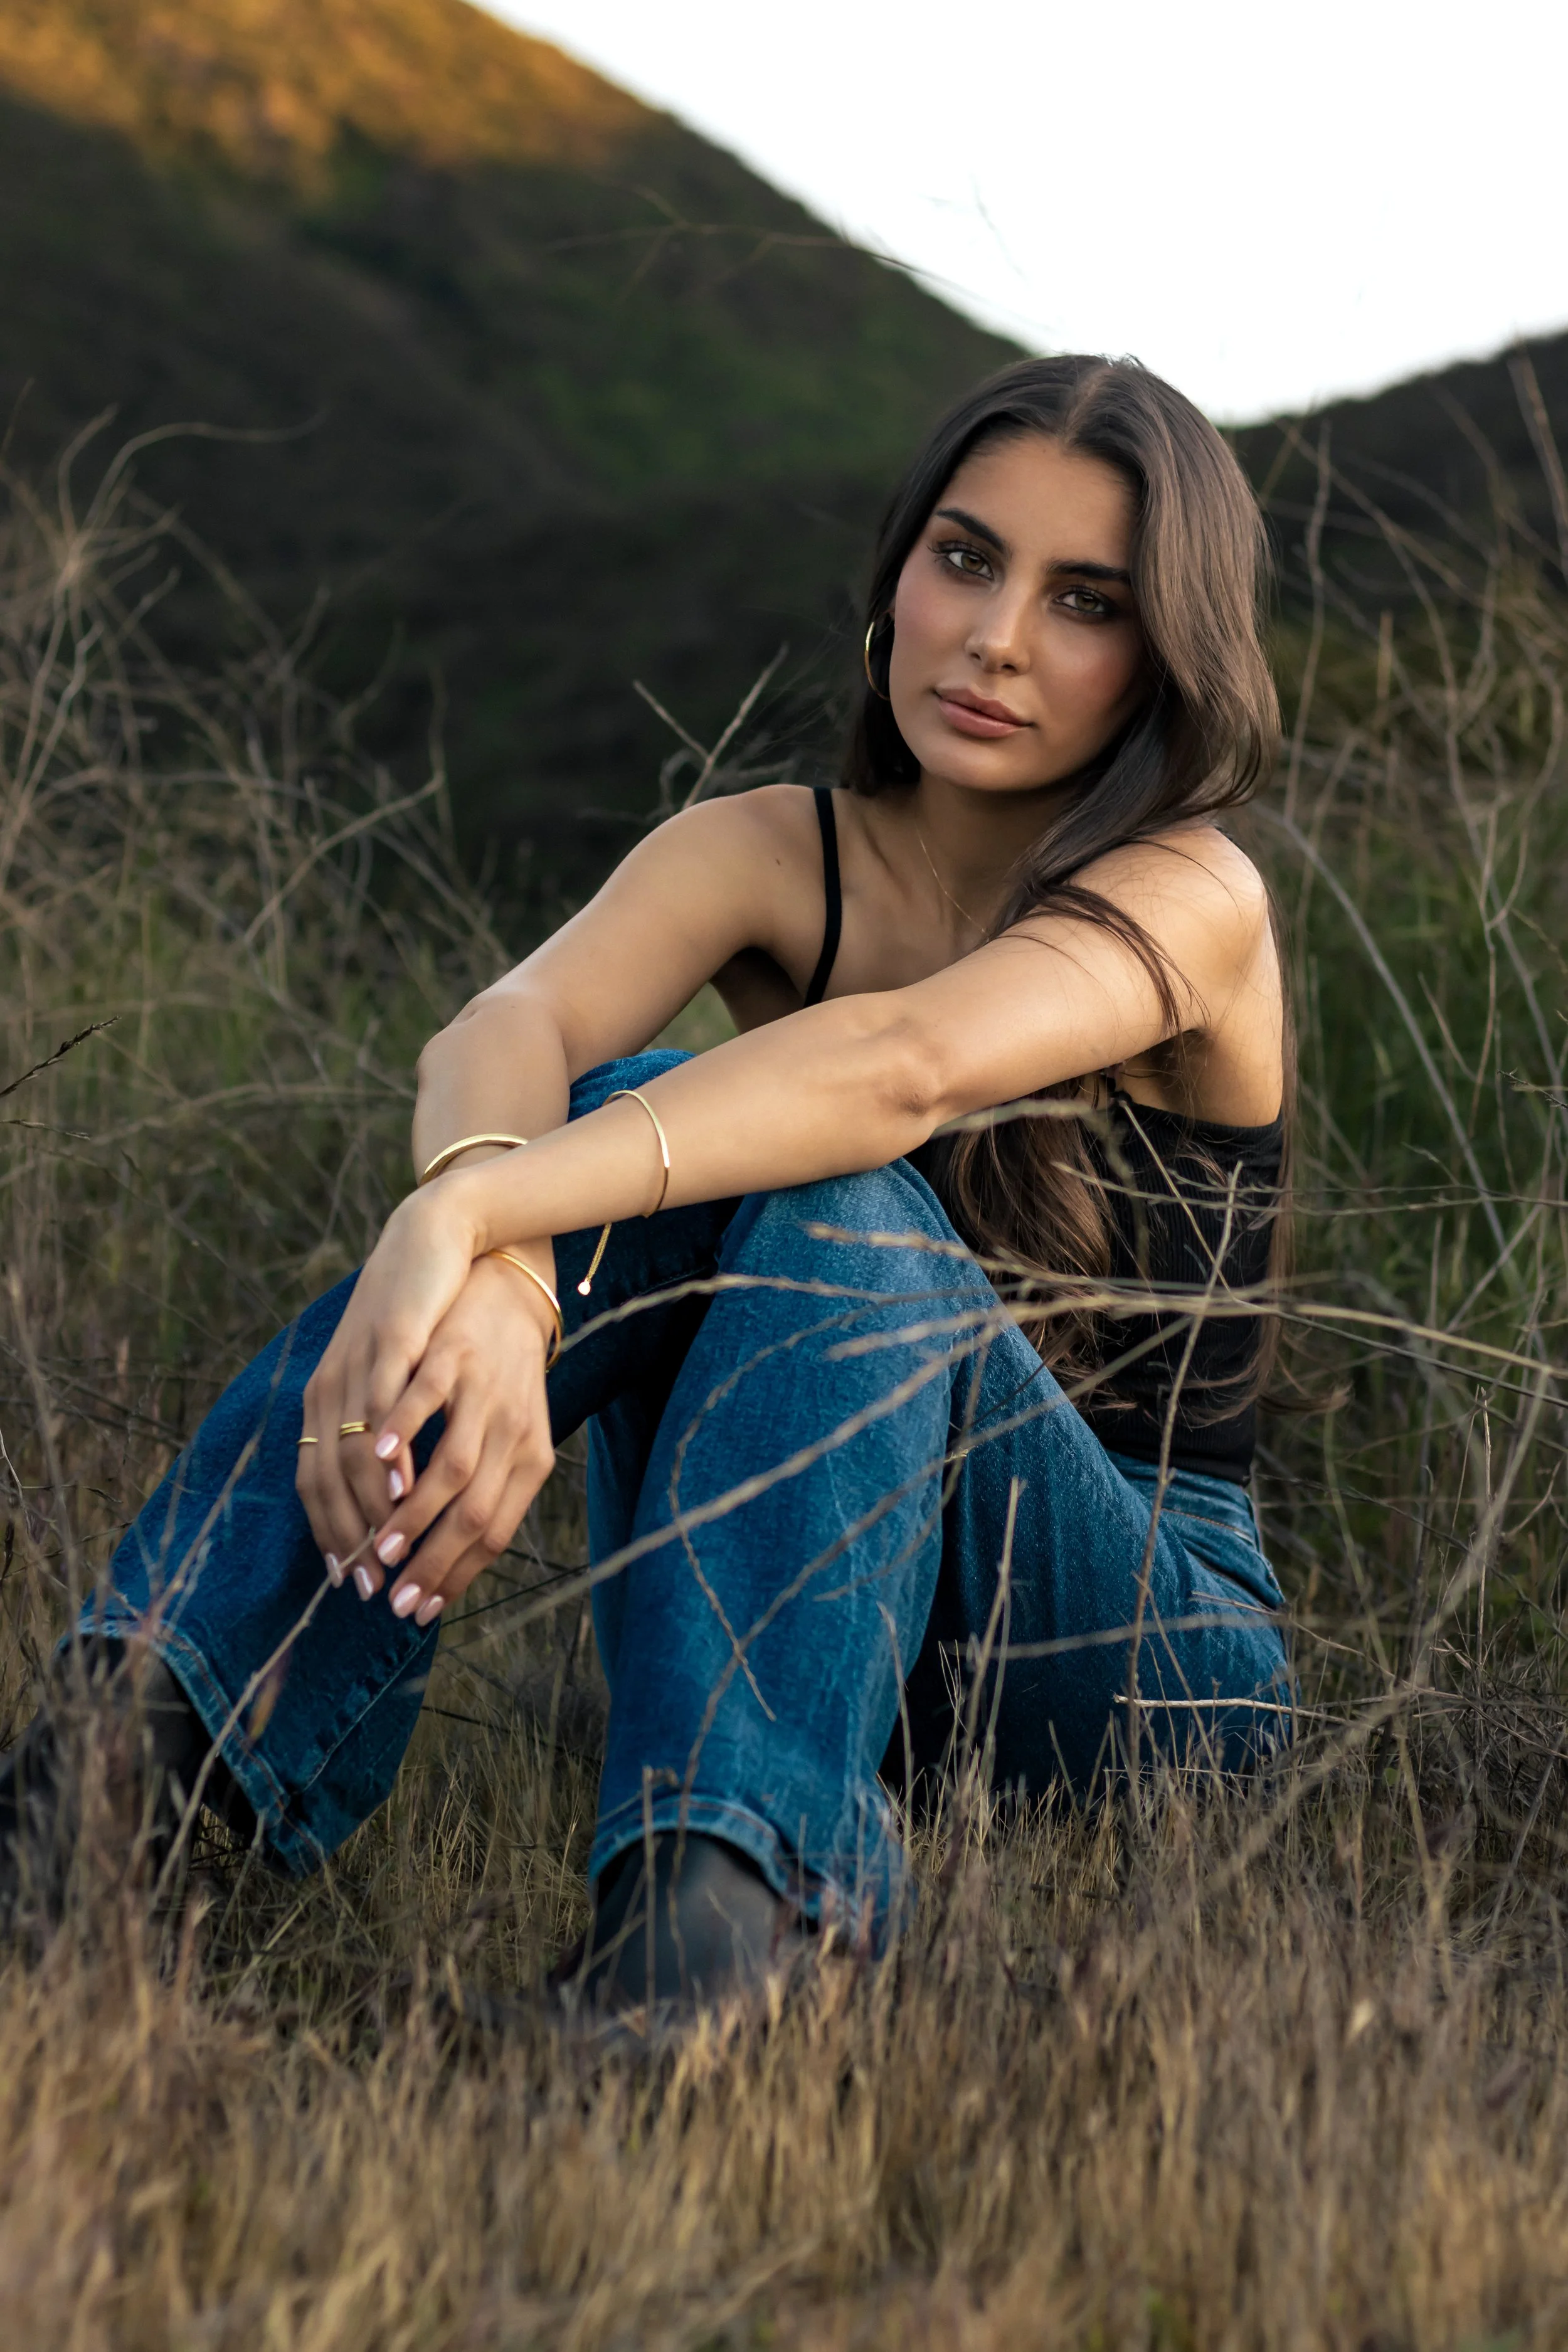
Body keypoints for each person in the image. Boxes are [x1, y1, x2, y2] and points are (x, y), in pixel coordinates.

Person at [0, 356, 1294, 2014]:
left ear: (1163, 657)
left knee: (806, 1168)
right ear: (897, 566)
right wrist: (511, 1273)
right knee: (626, 1107)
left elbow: (897, 1063)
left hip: (1132, 1659)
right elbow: (508, 1021)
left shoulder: (1193, 893)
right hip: (798, 1598)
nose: (995, 636)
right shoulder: (774, 854)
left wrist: (464, 1214)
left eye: (1084, 600)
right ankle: (115, 1795)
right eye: (964, 558)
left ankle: (728, 1931)